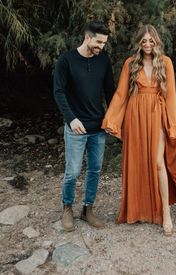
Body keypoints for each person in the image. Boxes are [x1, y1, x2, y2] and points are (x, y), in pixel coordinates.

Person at [102, 24, 176, 236]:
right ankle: (137, 210)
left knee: (157, 162)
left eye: (150, 40)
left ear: (156, 41)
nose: (147, 44)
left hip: (157, 114)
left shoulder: (165, 63)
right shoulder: (131, 63)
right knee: (137, 161)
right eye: (143, 41)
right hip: (135, 115)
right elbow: (120, 94)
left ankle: (166, 213)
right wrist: (112, 120)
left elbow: (171, 95)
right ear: (138, 43)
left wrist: (174, 124)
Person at [53, 21, 114, 231]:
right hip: (76, 127)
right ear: (87, 37)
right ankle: (67, 208)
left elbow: (110, 92)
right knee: (73, 171)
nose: (101, 46)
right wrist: (71, 119)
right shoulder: (66, 61)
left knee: (95, 170)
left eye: (104, 43)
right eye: (98, 42)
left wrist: (111, 119)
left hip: (98, 128)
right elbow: (59, 92)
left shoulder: (103, 61)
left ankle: (87, 209)